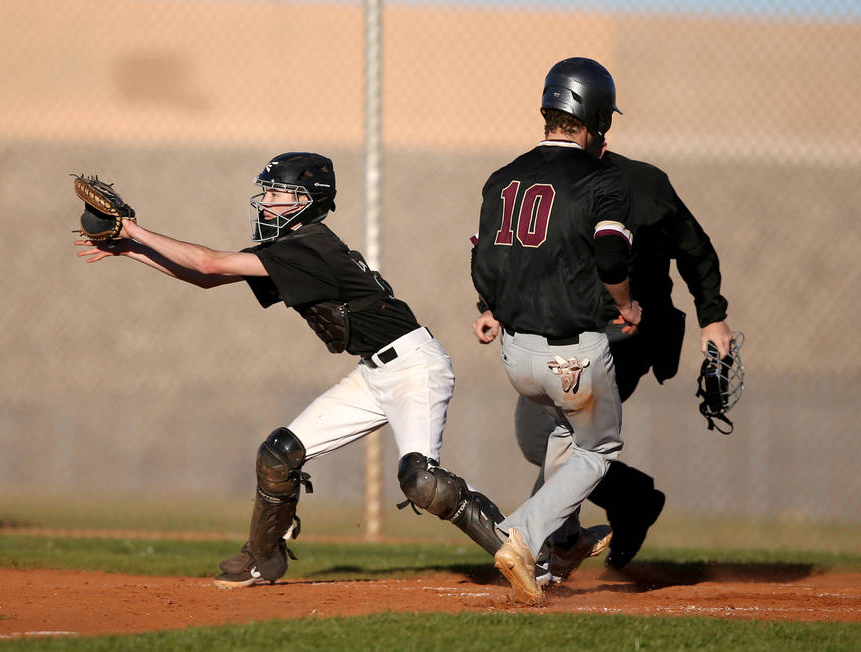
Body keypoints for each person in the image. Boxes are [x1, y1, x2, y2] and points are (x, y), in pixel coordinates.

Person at [74, 152, 507, 589]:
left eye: (277, 192)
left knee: (421, 480)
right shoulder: (292, 250)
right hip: (374, 374)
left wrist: (134, 229)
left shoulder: (312, 247)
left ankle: (524, 551)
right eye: (267, 191)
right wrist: (129, 248)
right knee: (278, 456)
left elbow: (207, 262)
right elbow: (203, 279)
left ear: (307, 200)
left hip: (415, 368)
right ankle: (263, 559)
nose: (265, 201)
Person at [473, 132, 733, 579]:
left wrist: (713, 316)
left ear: (596, 131)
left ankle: (542, 552)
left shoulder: (643, 183)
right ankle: (625, 503)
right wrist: (497, 307)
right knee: (537, 435)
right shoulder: (559, 182)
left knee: (574, 439)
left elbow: (694, 248)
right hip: (570, 329)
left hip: (629, 332)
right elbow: (533, 258)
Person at [470, 57, 639, 604]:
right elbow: (612, 257)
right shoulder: (602, 179)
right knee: (600, 446)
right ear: (594, 117)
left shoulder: (502, 178)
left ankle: (559, 544)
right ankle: (520, 535)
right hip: (573, 355)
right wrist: (627, 304)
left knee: (566, 436)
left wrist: (490, 307)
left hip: (515, 355)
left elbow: (485, 261)